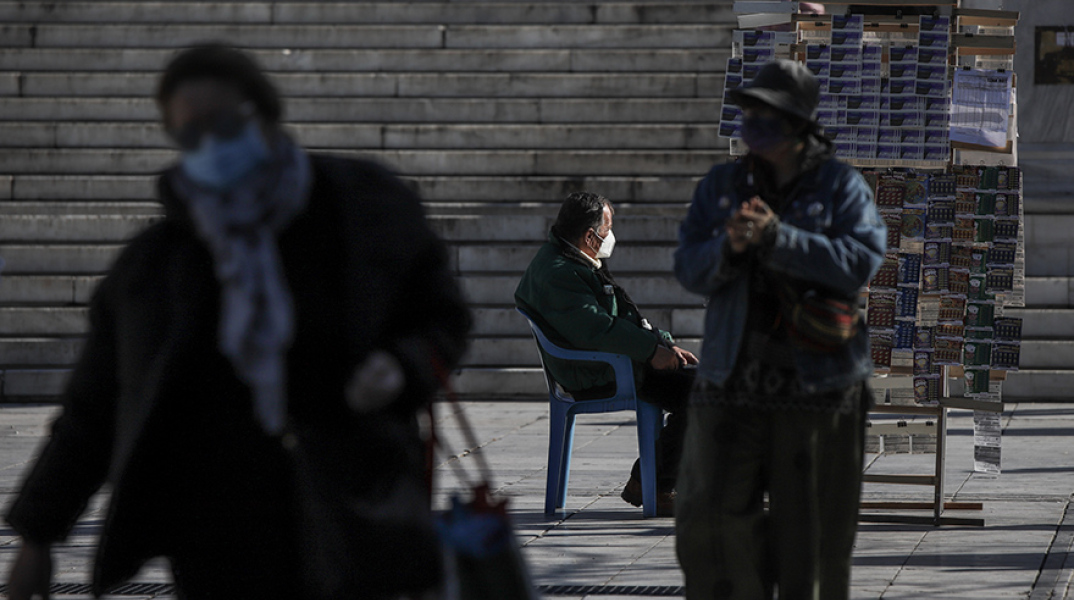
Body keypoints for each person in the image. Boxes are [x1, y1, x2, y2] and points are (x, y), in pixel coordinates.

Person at [4, 44, 470, 600]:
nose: (211, 145)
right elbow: (96, 406)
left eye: (223, 123)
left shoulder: (363, 208)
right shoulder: (156, 266)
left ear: (263, 114)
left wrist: (402, 365)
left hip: (359, 506)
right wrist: (37, 535)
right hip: (216, 530)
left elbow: (443, 316)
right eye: (190, 134)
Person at [673, 59, 886, 599]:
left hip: (817, 389)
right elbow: (688, 266)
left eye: (766, 116)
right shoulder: (723, 184)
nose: (753, 127)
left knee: (811, 544)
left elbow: (860, 259)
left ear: (797, 124)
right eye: (748, 115)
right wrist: (731, 246)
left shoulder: (840, 185)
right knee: (708, 528)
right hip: (730, 384)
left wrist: (780, 238)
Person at [515, 192, 698, 517]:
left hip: (619, 360)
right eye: (607, 228)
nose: (610, 236)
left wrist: (664, 345)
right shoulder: (559, 272)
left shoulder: (571, 259)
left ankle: (654, 480)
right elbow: (598, 328)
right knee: (705, 396)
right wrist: (650, 351)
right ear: (589, 235)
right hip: (599, 371)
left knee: (708, 384)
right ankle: (653, 481)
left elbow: (619, 319)